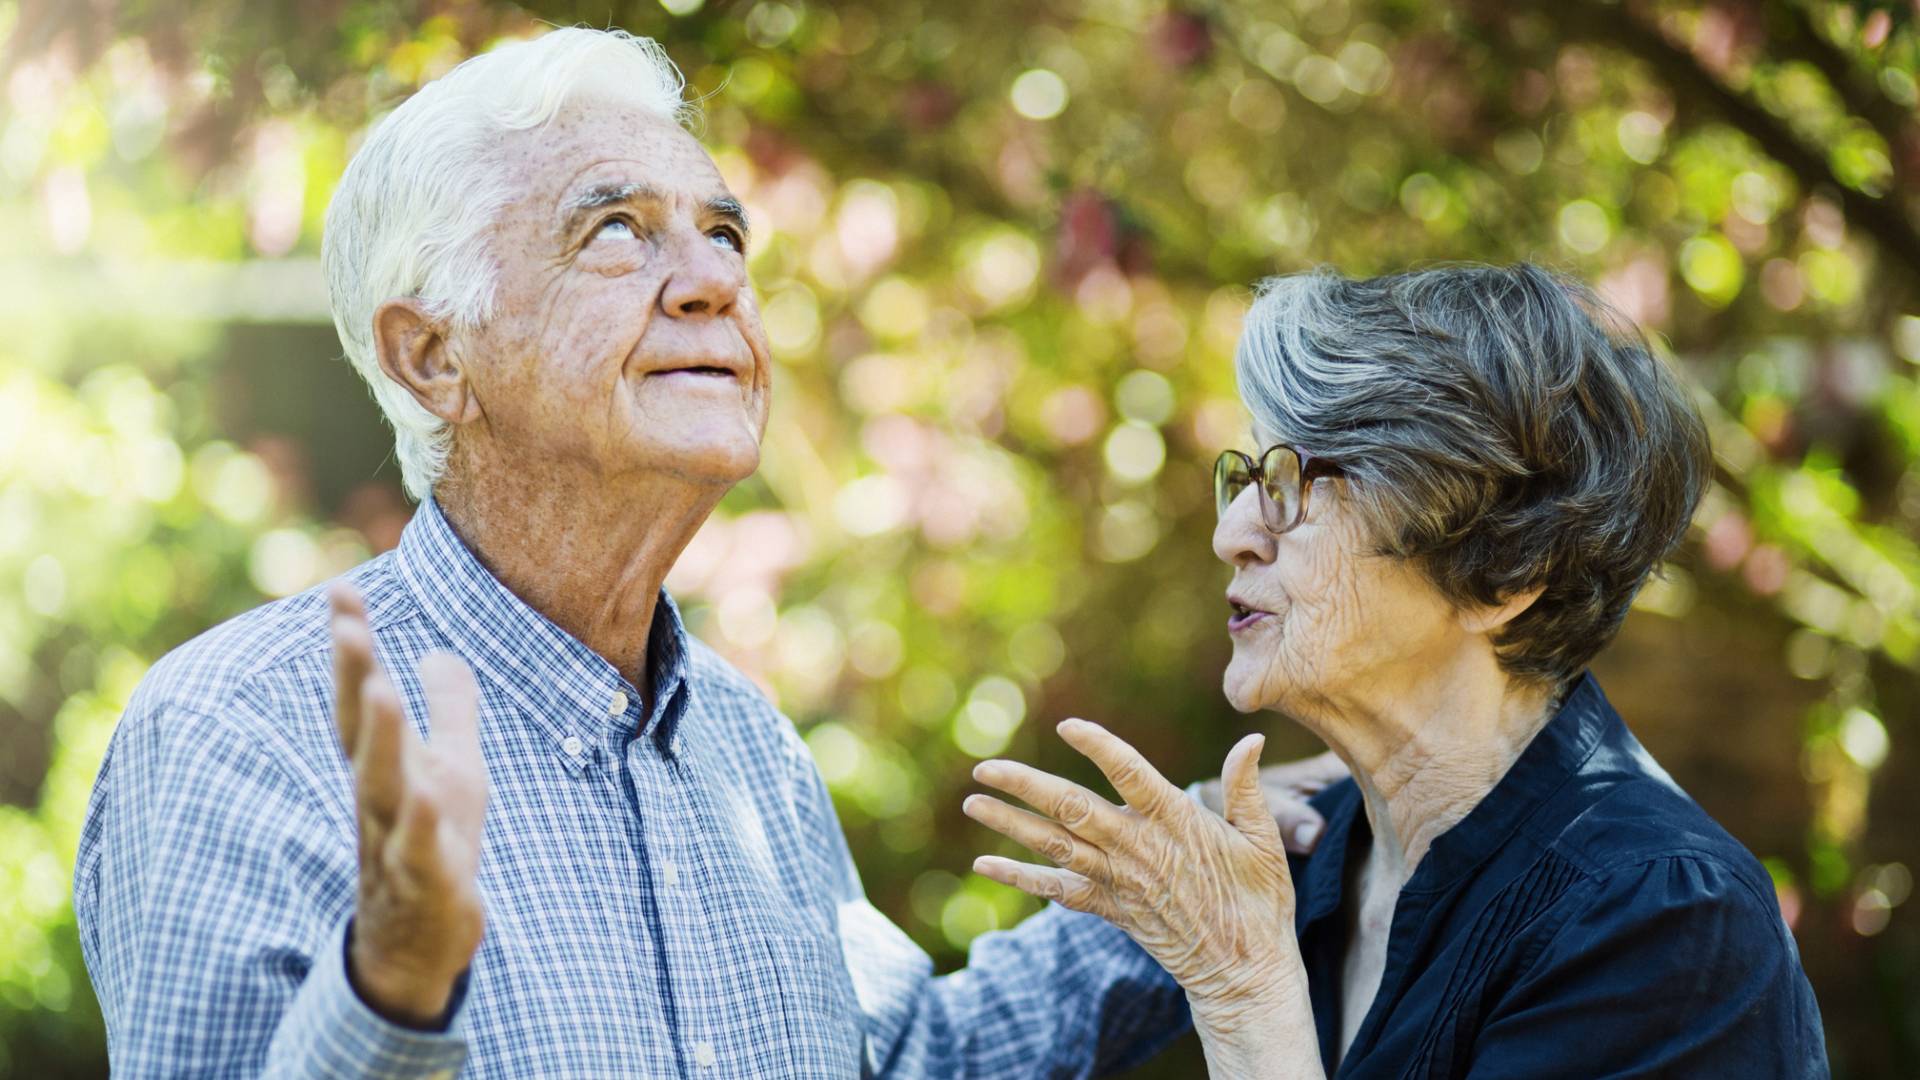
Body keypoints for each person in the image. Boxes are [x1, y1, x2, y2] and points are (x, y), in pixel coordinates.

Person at [71, 26, 1337, 1078]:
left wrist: (1175, 887)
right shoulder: (241, 732)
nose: (711, 283)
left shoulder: (745, 751)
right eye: (617, 231)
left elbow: (902, 1059)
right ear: (433, 356)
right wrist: (390, 996)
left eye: (725, 235)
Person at [964, 264, 1831, 1078]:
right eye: (1250, 473)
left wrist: (1240, 992)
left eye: (1295, 482)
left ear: (1503, 573)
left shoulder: (1663, 923)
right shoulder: (1306, 854)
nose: (1233, 533)